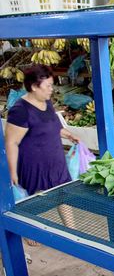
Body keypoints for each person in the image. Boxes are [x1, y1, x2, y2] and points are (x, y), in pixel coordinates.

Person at [5, 64, 80, 241]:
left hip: (55, 161)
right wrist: (13, 172)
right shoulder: (20, 111)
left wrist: (68, 134)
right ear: (34, 87)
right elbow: (11, 142)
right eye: (48, 86)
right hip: (33, 166)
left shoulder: (46, 102)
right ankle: (29, 233)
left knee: (63, 194)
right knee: (33, 200)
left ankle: (72, 230)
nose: (51, 90)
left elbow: (52, 126)